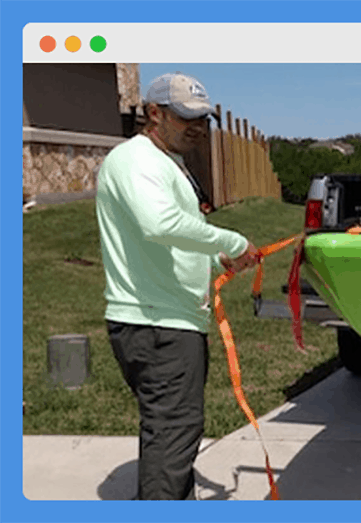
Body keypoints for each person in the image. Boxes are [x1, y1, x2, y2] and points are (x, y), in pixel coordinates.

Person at [96, 73, 259, 500]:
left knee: (170, 433)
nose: (197, 126)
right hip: (156, 326)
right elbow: (159, 225)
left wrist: (213, 258)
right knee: (174, 433)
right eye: (186, 117)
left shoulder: (167, 163)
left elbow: (178, 234)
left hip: (168, 323)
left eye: (203, 118)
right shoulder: (136, 160)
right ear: (154, 113)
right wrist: (231, 241)